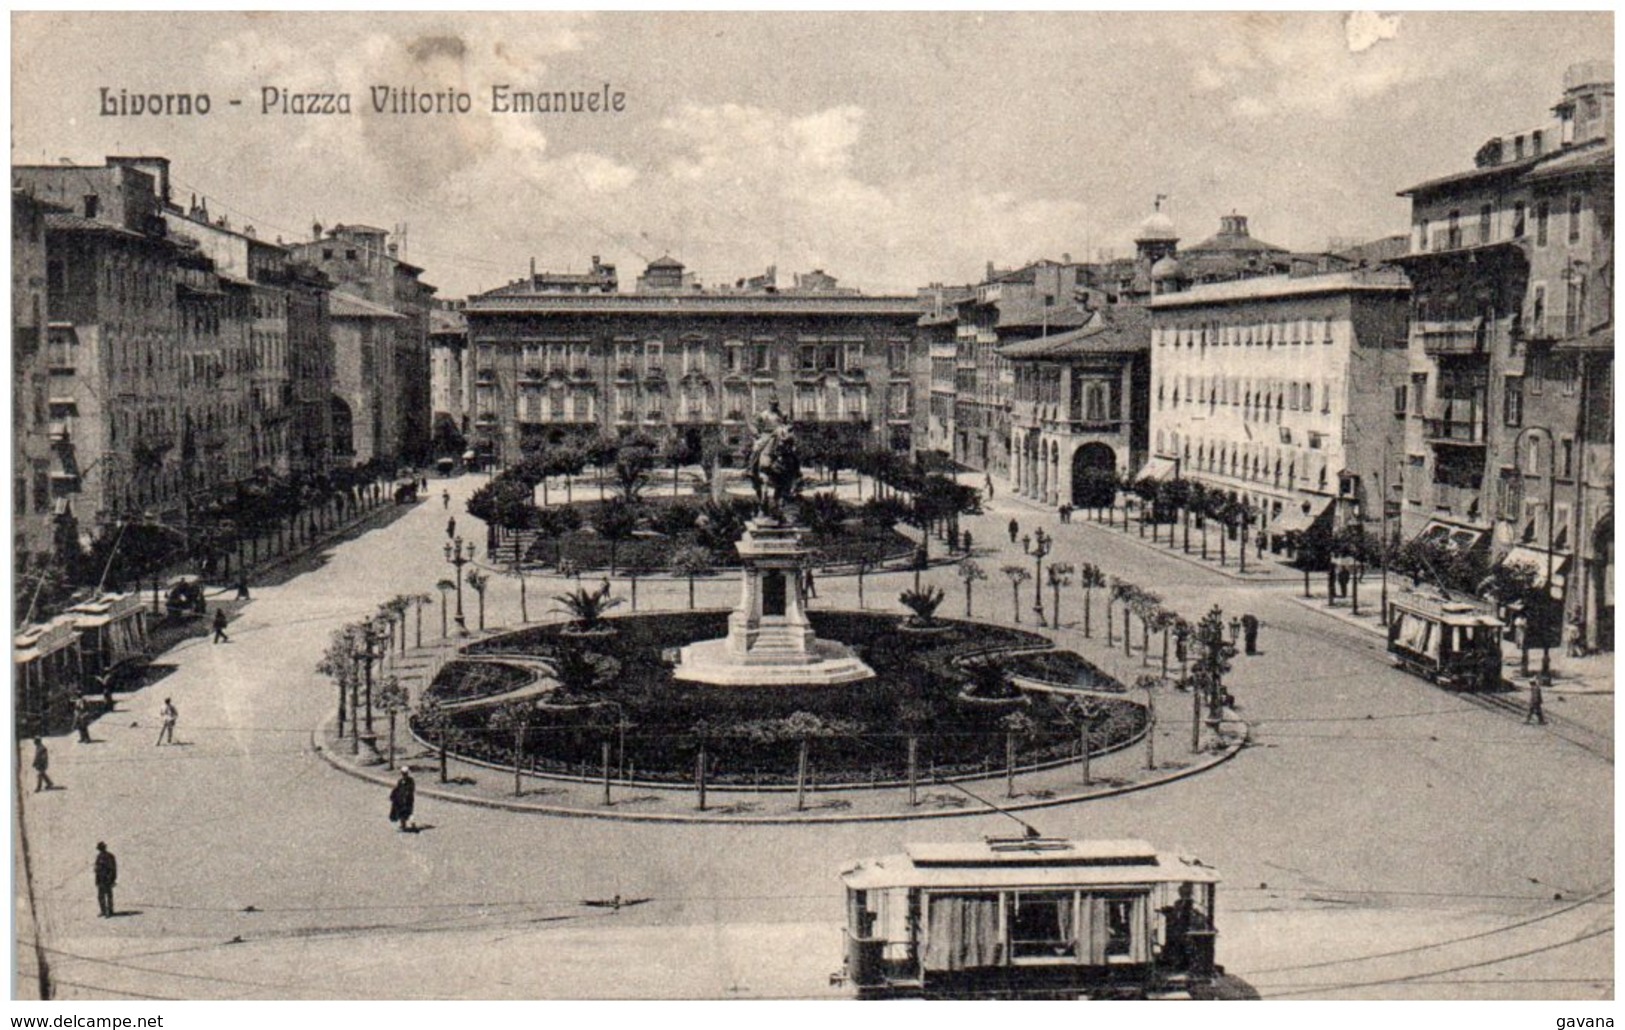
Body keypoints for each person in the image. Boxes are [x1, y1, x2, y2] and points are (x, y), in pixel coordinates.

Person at [94, 842, 117, 917]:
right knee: (100, 896)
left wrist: (111, 879)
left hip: (107, 879)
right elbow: (97, 868)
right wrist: (97, 879)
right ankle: (103, 910)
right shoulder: (99, 856)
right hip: (100, 879)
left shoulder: (109, 856)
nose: (100, 850)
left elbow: (113, 869)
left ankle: (110, 911)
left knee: (108, 896)